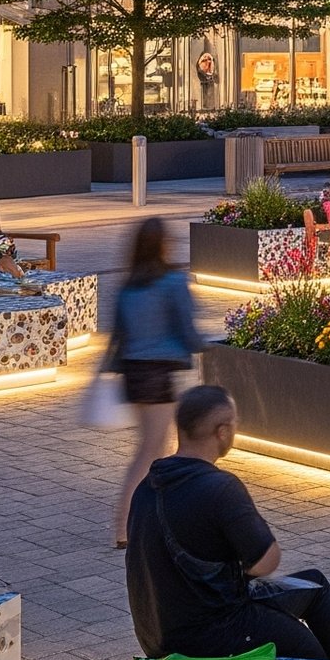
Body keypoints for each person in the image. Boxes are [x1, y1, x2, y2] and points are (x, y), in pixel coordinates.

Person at [126, 385, 330, 660]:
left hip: (158, 635)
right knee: (310, 653)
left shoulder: (147, 485)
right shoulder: (219, 487)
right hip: (215, 632)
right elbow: (267, 561)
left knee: (314, 586)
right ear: (222, 432)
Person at [107, 217, 205, 549]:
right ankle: (124, 527)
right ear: (162, 245)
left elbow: (119, 333)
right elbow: (188, 330)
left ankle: (152, 519)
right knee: (151, 450)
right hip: (159, 373)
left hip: (133, 374)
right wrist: (207, 345)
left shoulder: (128, 286)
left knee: (153, 447)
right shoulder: (172, 282)